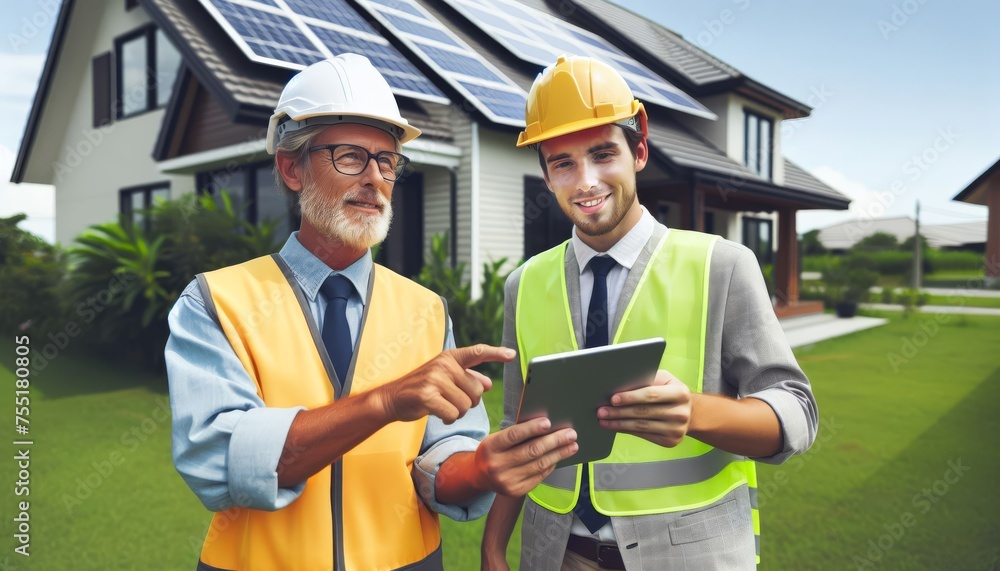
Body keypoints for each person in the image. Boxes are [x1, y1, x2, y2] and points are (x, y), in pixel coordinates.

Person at [165, 54, 578, 571]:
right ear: (292, 168)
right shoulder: (216, 301)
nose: (375, 178)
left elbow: (440, 464)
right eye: (349, 156)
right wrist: (383, 402)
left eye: (387, 161)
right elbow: (219, 461)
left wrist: (481, 468)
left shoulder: (426, 311)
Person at [481, 55, 818, 570]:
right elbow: (515, 429)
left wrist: (695, 413)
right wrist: (492, 547)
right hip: (555, 554)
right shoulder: (523, 284)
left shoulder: (722, 266)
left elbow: (798, 414)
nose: (587, 182)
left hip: (687, 555)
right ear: (546, 174)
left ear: (639, 148)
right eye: (563, 163)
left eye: (602, 154)